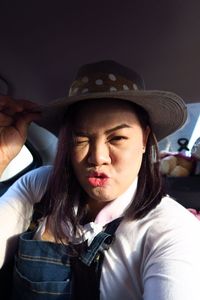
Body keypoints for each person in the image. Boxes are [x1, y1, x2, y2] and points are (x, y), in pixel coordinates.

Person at [0, 60, 200, 300]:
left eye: (116, 138)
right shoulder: (40, 186)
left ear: (145, 139)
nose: (98, 158)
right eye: (81, 140)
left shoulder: (172, 230)